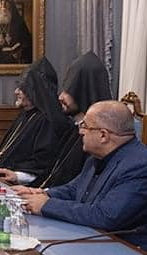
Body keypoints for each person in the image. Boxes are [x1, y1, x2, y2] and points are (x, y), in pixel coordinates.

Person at [15, 100, 147, 255]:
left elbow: (105, 217)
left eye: (85, 126)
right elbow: (74, 190)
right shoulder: (98, 157)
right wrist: (42, 193)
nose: (80, 131)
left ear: (103, 135)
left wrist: (46, 205)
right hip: (96, 241)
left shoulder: (141, 168)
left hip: (133, 254)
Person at [0, 58, 72, 185]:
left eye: (22, 88)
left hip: (24, 186)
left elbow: (42, 164)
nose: (16, 92)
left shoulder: (47, 122)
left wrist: (17, 176)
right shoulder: (26, 115)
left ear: (35, 91)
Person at [36, 51, 112, 188]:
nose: (60, 97)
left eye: (68, 90)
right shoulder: (74, 130)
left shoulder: (99, 140)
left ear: (83, 91)